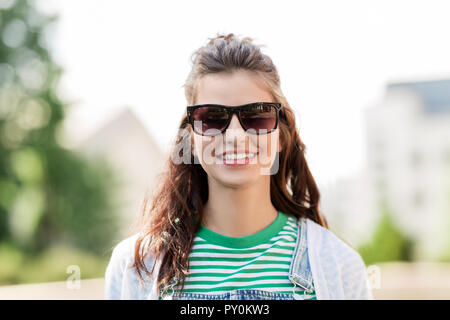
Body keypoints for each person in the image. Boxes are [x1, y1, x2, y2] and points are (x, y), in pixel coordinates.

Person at [104, 33, 373, 300]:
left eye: (256, 116)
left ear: (280, 136)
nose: (235, 136)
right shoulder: (135, 269)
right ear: (191, 138)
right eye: (212, 117)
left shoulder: (339, 267)